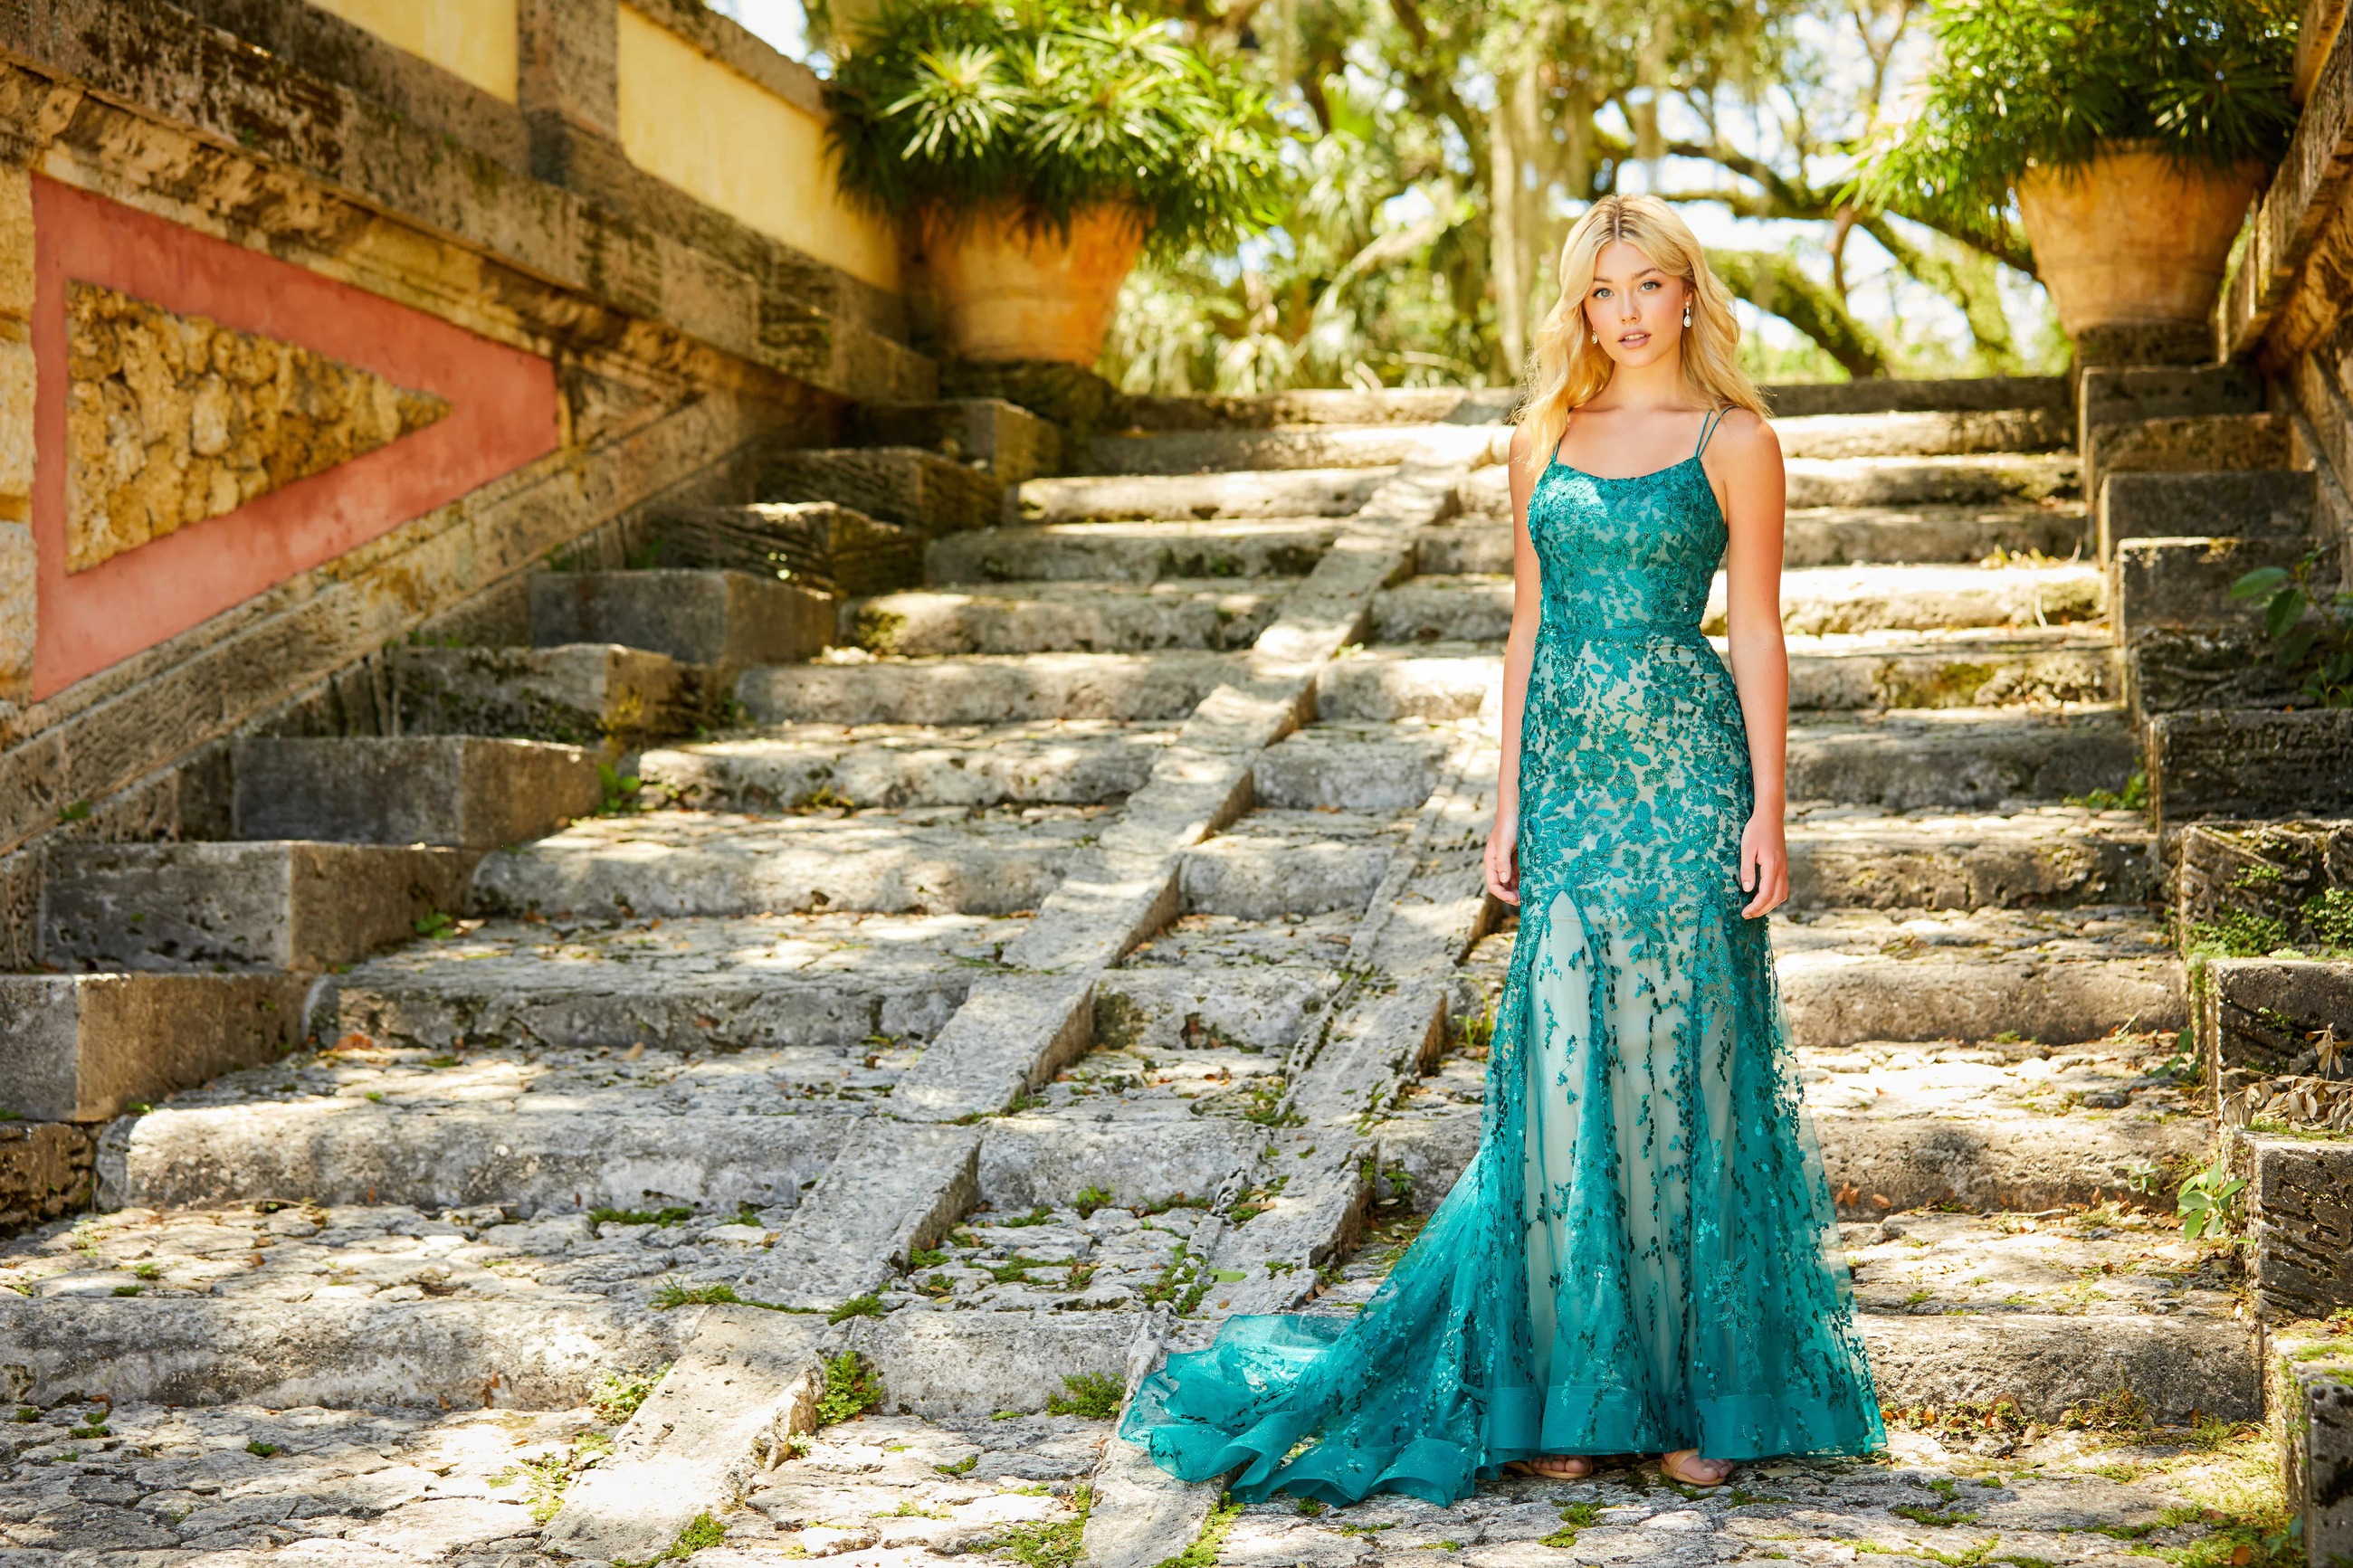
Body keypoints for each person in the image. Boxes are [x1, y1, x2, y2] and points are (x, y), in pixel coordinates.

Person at [1116, 193, 1885, 1506]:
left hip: (1688, 779)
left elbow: (1756, 629)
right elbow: (1525, 628)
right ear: (1580, 307)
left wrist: (1771, 804)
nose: (1628, 310)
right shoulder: (1538, 439)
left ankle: (1703, 1397)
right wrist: (1507, 798)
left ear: (1689, 294)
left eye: (1650, 284)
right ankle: (1571, 1392)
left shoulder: (1738, 439)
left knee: (1689, 1064)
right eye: (1604, 290)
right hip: (1574, 786)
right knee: (1572, 1068)